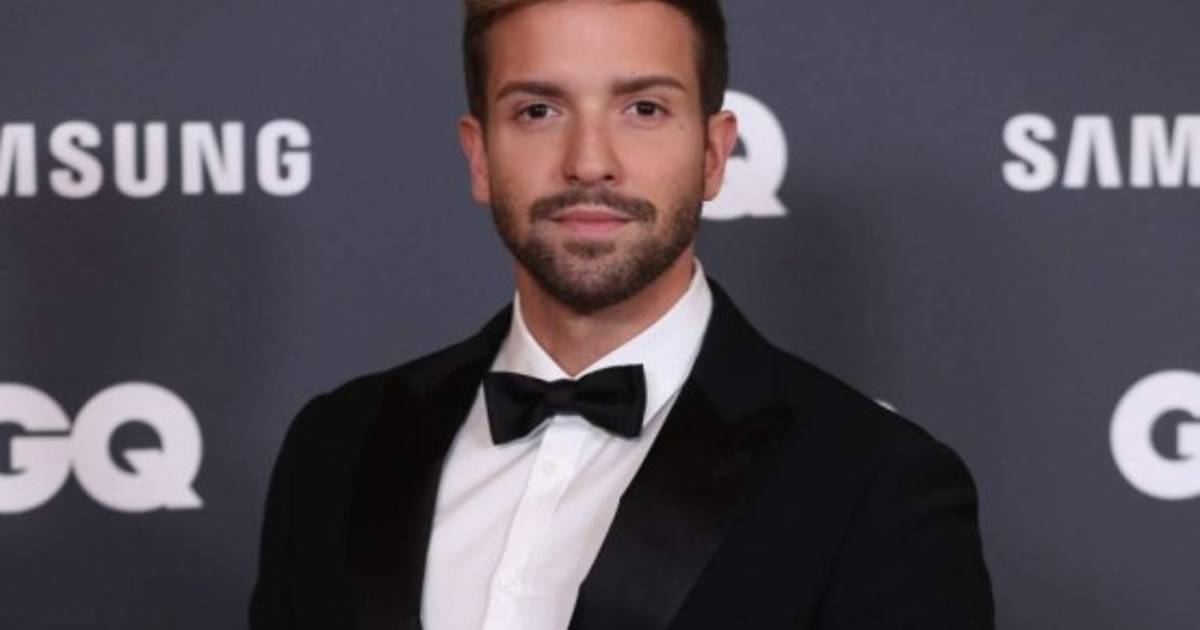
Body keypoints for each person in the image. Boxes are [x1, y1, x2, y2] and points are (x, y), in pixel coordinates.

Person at [249, 0, 995, 628]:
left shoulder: (874, 485)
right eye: (538, 110)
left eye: (643, 109)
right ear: (479, 157)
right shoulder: (337, 446)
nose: (589, 161)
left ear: (713, 155)